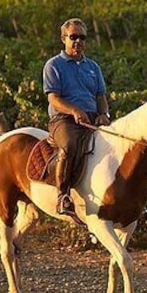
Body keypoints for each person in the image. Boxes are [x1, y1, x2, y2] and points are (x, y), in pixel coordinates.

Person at [42, 18, 110, 224]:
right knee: (70, 145)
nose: (78, 41)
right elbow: (53, 98)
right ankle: (63, 196)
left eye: (82, 37)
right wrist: (74, 110)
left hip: (90, 118)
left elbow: (101, 97)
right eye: (73, 37)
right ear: (64, 39)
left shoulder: (93, 67)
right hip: (63, 119)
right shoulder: (54, 65)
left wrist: (104, 114)